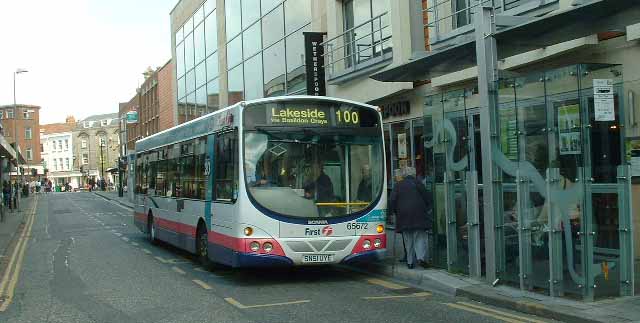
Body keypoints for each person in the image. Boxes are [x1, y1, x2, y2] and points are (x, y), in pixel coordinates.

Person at [389, 167, 433, 269]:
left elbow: (392, 200)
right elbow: (427, 197)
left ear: (404, 175)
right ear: (413, 174)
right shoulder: (418, 183)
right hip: (419, 215)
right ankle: (420, 258)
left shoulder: (398, 185)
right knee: (419, 237)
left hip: (404, 216)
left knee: (408, 239)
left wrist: (393, 212)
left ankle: (410, 262)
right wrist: (427, 209)